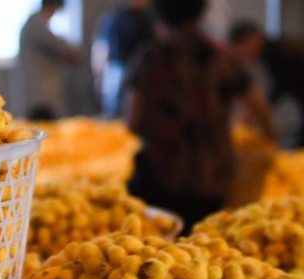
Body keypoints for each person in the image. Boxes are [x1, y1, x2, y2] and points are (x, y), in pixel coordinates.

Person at [124, 0, 274, 230]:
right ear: (201, 11)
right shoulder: (225, 57)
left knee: (161, 247)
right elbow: (260, 107)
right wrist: (269, 141)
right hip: (212, 178)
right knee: (202, 247)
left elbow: (133, 122)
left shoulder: (151, 57)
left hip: (163, 176)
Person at [229, 20, 304, 146]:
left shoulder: (275, 51)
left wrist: (258, 108)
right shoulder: (273, 49)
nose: (243, 53)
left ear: (254, 37)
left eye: (242, 45)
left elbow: (282, 85)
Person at [18, 0, 83, 121]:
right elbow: (61, 47)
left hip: (40, 93)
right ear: (53, 7)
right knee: (44, 130)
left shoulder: (35, 23)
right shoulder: (36, 24)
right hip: (40, 95)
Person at [98, 0, 154, 117]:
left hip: (134, 70)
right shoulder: (116, 18)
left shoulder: (144, 19)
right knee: (115, 111)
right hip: (119, 69)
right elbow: (103, 49)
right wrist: (100, 75)